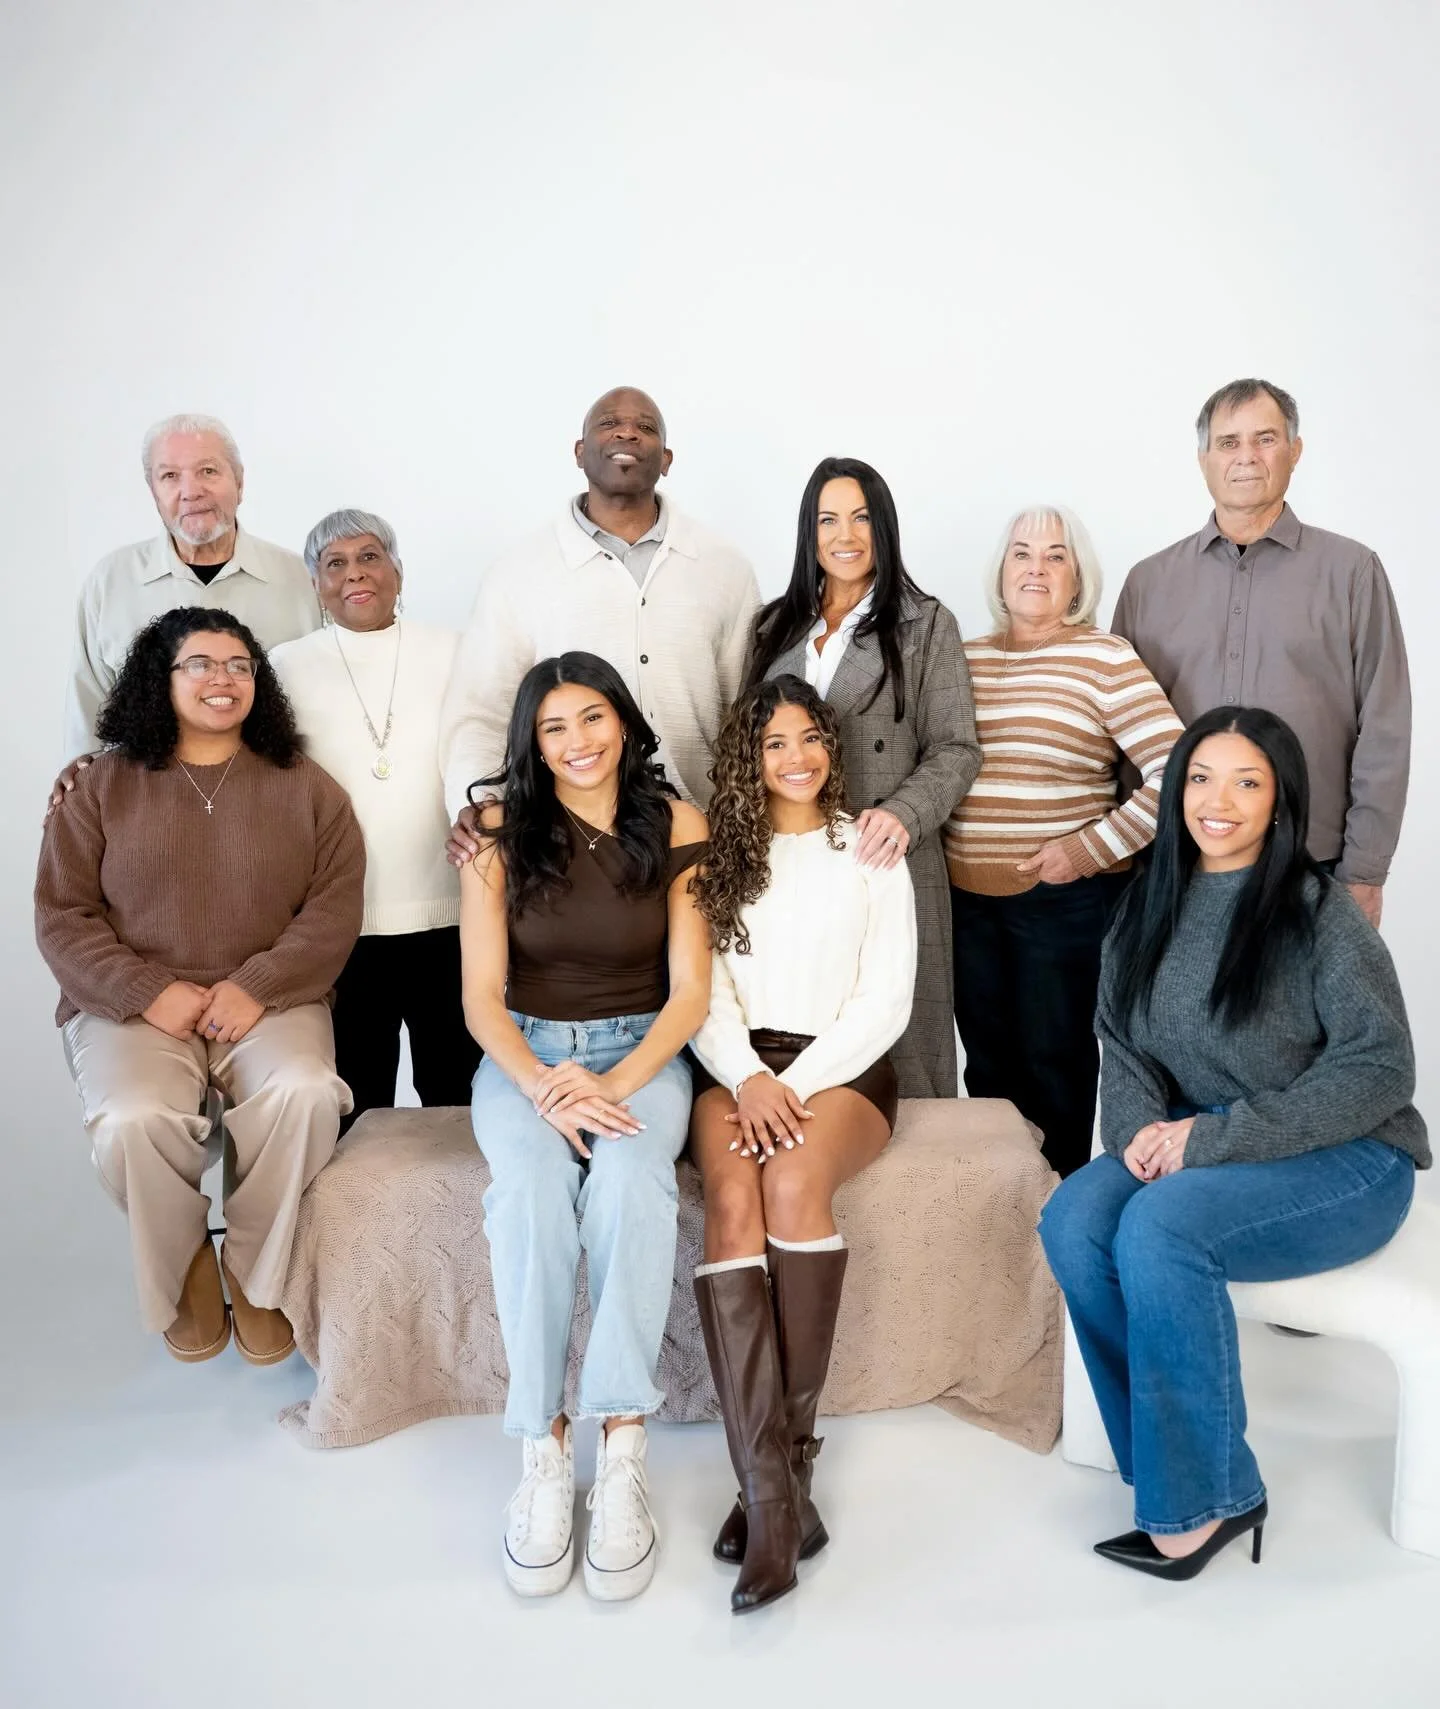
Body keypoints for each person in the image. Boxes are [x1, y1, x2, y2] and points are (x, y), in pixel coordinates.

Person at [1039, 706, 1428, 1579]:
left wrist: (1210, 1140)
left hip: (1349, 1158)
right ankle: (1172, 1465)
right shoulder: (1151, 899)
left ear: (1280, 799)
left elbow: (1379, 1069)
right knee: (1073, 1215)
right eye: (1202, 778)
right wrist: (1141, 1136)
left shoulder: (1317, 912)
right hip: (1200, 1147)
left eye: (1247, 781)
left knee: (1160, 1227)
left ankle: (1205, 1500)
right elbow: (1122, 1038)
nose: (1219, 800)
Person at [35, 608, 365, 1366]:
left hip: (269, 1000)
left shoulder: (305, 784)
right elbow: (62, 913)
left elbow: (335, 903)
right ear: (162, 677)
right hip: (133, 1007)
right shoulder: (101, 785)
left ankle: (256, 1265)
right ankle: (182, 1255)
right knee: (130, 1117)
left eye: (240, 665)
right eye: (201, 664)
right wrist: (149, 989)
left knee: (307, 1094)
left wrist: (259, 983)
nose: (224, 678)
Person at [460, 651, 710, 1602]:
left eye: (593, 718)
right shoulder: (493, 829)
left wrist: (612, 1086)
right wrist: (545, 1086)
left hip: (644, 1048)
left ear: (624, 721)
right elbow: (482, 998)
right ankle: (542, 1447)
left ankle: (621, 1444)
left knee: (629, 1182)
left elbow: (690, 994)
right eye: (554, 726)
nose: (577, 742)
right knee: (527, 1190)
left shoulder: (677, 822)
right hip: (523, 1054)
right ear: (531, 737)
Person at [687, 675, 915, 1613]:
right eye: (775, 742)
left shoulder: (869, 850)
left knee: (790, 1186)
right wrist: (748, 1077)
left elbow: (886, 998)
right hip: (736, 1065)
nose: (797, 758)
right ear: (750, 756)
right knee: (731, 1204)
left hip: (846, 1069)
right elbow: (702, 997)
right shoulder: (711, 858)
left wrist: (798, 1084)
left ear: (832, 746)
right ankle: (777, 1497)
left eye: (811, 737)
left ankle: (779, 1479)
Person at [1112, 378, 1411, 928]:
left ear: (1295, 451)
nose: (1246, 457)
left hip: (1310, 862)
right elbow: (1118, 736)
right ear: (1203, 458)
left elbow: (1386, 728)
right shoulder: (1148, 583)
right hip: (1176, 861)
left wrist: (1365, 871)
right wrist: (1129, 858)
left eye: (1265, 439)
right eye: (1228, 443)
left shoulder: (1352, 572)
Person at [945, 506, 1183, 1177]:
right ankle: (1007, 1218)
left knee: (1056, 1065)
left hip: (1061, 906)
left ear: (1077, 576)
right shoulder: (964, 657)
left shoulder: (1103, 658)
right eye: (1022, 553)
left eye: (1055, 555)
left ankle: (1061, 1228)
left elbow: (1179, 771)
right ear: (1001, 570)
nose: (1037, 568)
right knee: (986, 1070)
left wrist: (1088, 850)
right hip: (965, 906)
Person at [745, 456, 977, 1098]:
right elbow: (747, 745)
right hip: (787, 866)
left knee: (905, 1044)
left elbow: (957, 748)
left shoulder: (926, 623)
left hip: (886, 857)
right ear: (808, 531)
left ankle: (921, 1198)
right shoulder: (772, 627)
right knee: (791, 1026)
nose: (844, 535)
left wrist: (902, 814)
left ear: (884, 528)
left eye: (861, 518)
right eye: (828, 519)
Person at [441, 386, 760, 849]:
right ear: (579, 451)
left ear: (666, 459)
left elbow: (745, 708)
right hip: (568, 842)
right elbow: (483, 710)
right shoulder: (519, 572)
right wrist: (479, 802)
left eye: (645, 428)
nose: (627, 432)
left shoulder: (724, 566)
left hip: (703, 835)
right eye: (609, 423)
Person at [271, 510, 479, 1125]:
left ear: (397, 571)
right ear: (315, 585)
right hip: (341, 925)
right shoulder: (283, 666)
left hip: (449, 913)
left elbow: (486, 752)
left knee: (459, 1100)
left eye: (369, 557)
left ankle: (462, 1226)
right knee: (355, 1107)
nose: (354, 574)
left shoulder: (455, 651)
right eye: (334, 564)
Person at [62, 414, 319, 766]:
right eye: (170, 476)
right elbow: (87, 707)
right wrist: (81, 786)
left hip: (270, 799)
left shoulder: (303, 580)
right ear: (153, 491)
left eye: (208, 471)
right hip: (144, 800)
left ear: (240, 483)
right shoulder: (111, 582)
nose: (191, 491)